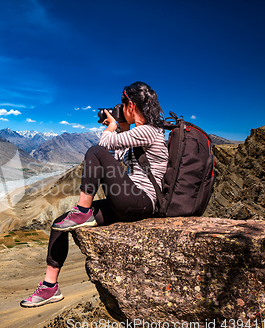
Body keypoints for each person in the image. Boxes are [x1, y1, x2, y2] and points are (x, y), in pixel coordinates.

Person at [20, 81, 169, 308]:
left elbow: (103, 145)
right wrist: (121, 126)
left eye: (122, 104)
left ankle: (83, 210)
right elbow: (115, 158)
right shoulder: (139, 133)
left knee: (94, 151)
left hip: (142, 201)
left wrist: (110, 126)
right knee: (60, 223)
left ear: (130, 104)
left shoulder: (149, 131)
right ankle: (50, 286)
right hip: (130, 200)